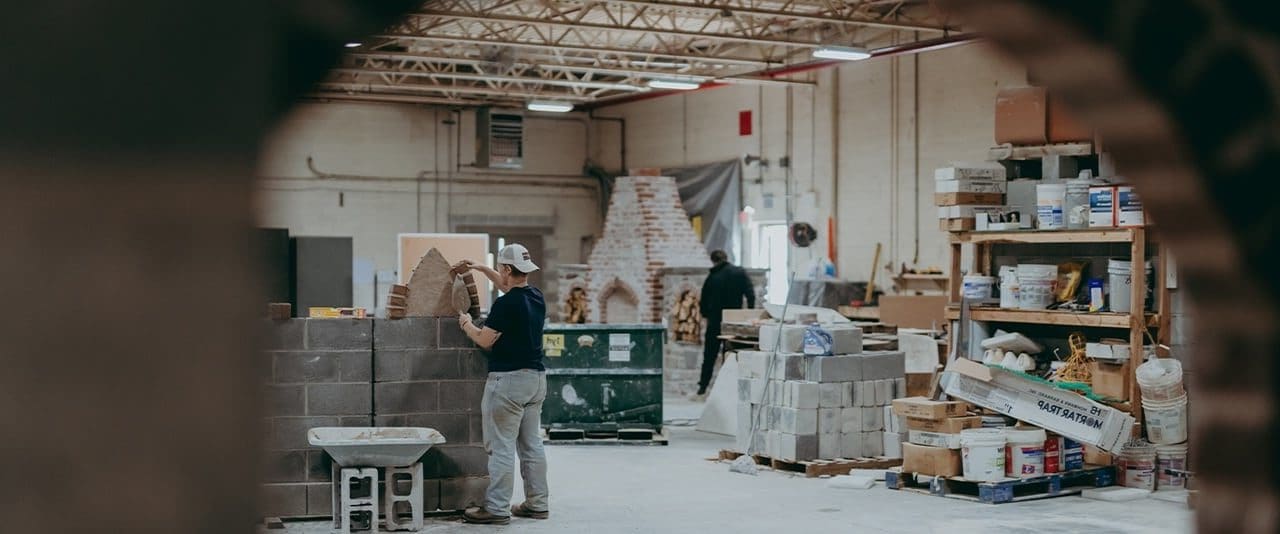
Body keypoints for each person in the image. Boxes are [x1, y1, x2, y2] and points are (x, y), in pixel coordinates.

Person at [455, 244, 550, 525]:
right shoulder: (535, 297)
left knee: (502, 447)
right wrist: (481, 267)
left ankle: (496, 509)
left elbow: (485, 340)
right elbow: (508, 287)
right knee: (532, 445)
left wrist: (466, 323)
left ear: (508, 269)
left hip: (508, 382)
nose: (499, 273)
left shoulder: (505, 304)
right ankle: (538, 504)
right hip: (535, 381)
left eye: (500, 269)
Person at [696, 250, 756, 398]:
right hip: (735, 321)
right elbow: (751, 294)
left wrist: (706, 315)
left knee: (709, 356)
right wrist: (749, 313)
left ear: (713, 260)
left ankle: (703, 388)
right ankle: (731, 389)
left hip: (715, 321)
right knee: (732, 355)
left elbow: (703, 301)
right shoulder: (740, 273)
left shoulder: (712, 277)